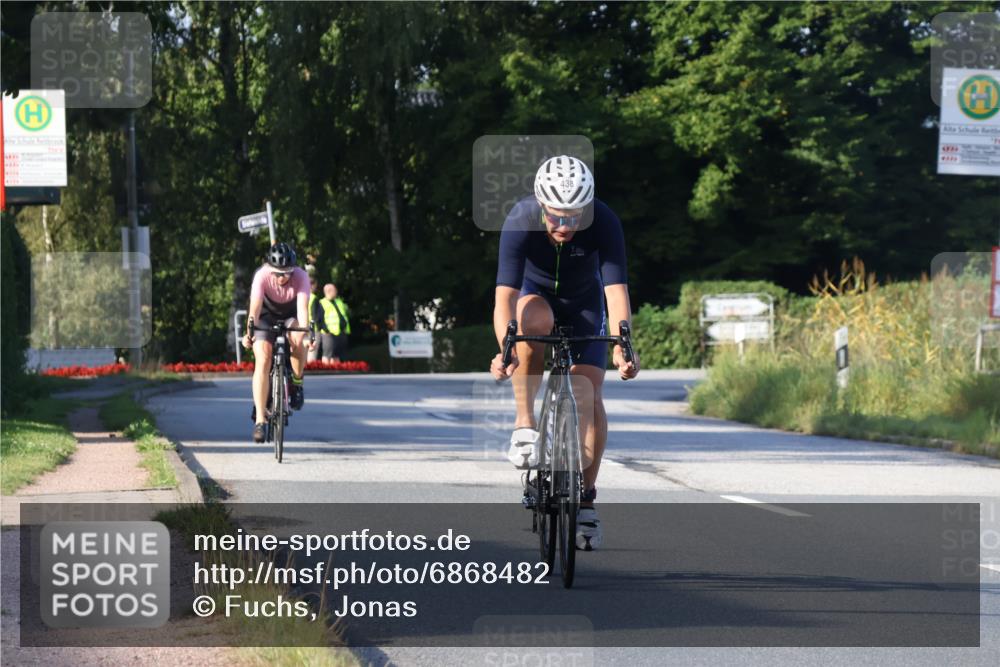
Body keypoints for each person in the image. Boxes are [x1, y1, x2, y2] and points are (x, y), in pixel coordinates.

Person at [489, 155, 639, 551]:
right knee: (530, 323)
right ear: (541, 206)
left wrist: (625, 348)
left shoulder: (604, 221)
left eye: (574, 217)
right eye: (556, 217)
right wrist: (504, 349)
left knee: (589, 396)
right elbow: (504, 297)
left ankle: (586, 497)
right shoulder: (521, 218)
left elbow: (616, 293)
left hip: (585, 304)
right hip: (535, 299)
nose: (564, 227)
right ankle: (525, 424)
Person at [241, 242, 316, 443]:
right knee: (263, 358)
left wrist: (306, 335)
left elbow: (302, 309)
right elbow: (255, 309)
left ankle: (297, 383)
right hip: (266, 316)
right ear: (270, 269)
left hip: (291, 315)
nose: (282, 277)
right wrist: (249, 333)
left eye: (286, 273)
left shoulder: (301, 276)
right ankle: (260, 420)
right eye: (277, 273)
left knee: (298, 340)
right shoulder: (262, 276)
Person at [319, 283, 351, 362]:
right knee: (327, 353)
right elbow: (319, 318)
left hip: (340, 332)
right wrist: (326, 330)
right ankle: (325, 371)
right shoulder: (322, 302)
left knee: (337, 354)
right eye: (334, 290)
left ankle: (336, 372)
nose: (336, 292)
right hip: (328, 333)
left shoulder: (338, 301)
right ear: (329, 291)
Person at [307, 276, 324, 362]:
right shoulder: (313, 297)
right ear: (312, 285)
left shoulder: (300, 296)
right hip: (313, 328)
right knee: (312, 350)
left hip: (302, 327)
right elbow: (315, 315)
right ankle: (310, 368)